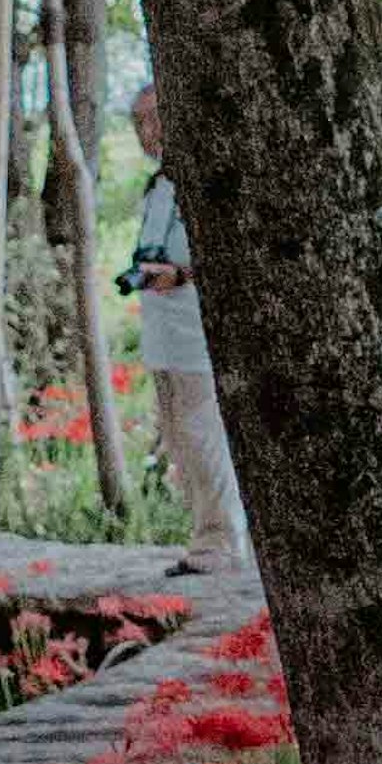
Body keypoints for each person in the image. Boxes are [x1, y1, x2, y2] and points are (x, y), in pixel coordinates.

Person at [121, 84, 251, 569]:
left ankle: (222, 543)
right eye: (136, 122)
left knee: (204, 436)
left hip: (199, 335)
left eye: (152, 119)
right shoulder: (158, 186)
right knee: (178, 440)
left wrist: (180, 276)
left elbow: (229, 257)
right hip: (163, 334)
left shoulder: (207, 181)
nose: (144, 132)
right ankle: (205, 538)